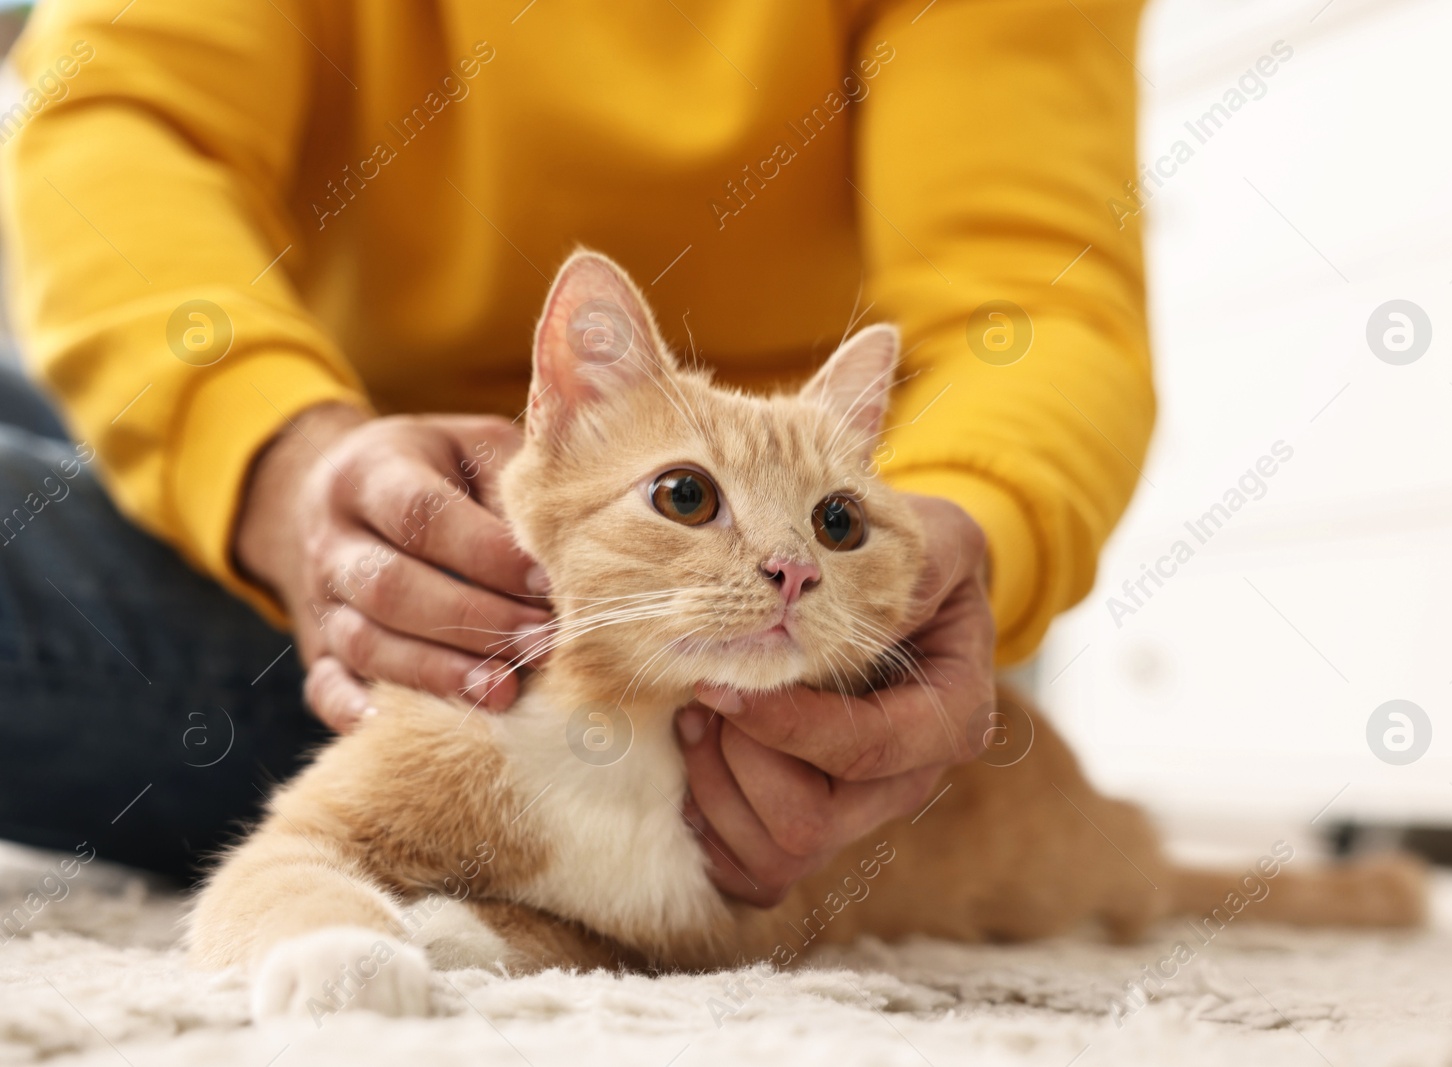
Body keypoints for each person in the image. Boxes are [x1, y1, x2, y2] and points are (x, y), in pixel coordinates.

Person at [0, 0, 1154, 904]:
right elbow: (114, 119)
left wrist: (969, 524)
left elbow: (1033, 298)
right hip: (350, 479)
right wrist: (274, 458)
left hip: (639, 645)